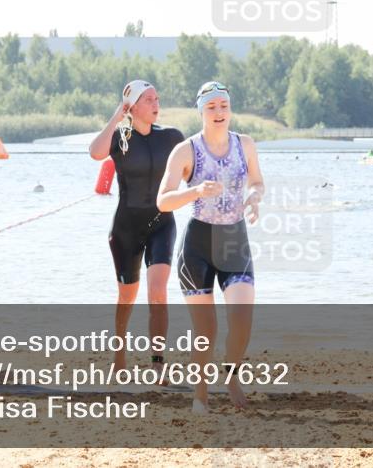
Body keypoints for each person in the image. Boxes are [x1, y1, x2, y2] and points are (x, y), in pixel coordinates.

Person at [157, 81, 265, 413]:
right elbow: (163, 201)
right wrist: (196, 191)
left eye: (224, 106)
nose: (219, 112)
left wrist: (254, 198)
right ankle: (200, 395)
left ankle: (231, 375)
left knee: (242, 319)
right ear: (201, 111)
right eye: (211, 107)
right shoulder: (186, 151)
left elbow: (258, 182)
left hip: (234, 240)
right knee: (206, 330)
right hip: (198, 246)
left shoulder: (244, 144)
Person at [89, 80, 184, 375]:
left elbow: (192, 165)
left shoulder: (171, 137)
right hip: (126, 229)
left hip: (161, 223)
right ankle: (119, 352)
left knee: (158, 291)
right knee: (127, 295)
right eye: (148, 100)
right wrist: (118, 116)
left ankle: (157, 364)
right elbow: (95, 152)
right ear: (133, 106)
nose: (156, 104)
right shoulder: (120, 137)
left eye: (157, 98)